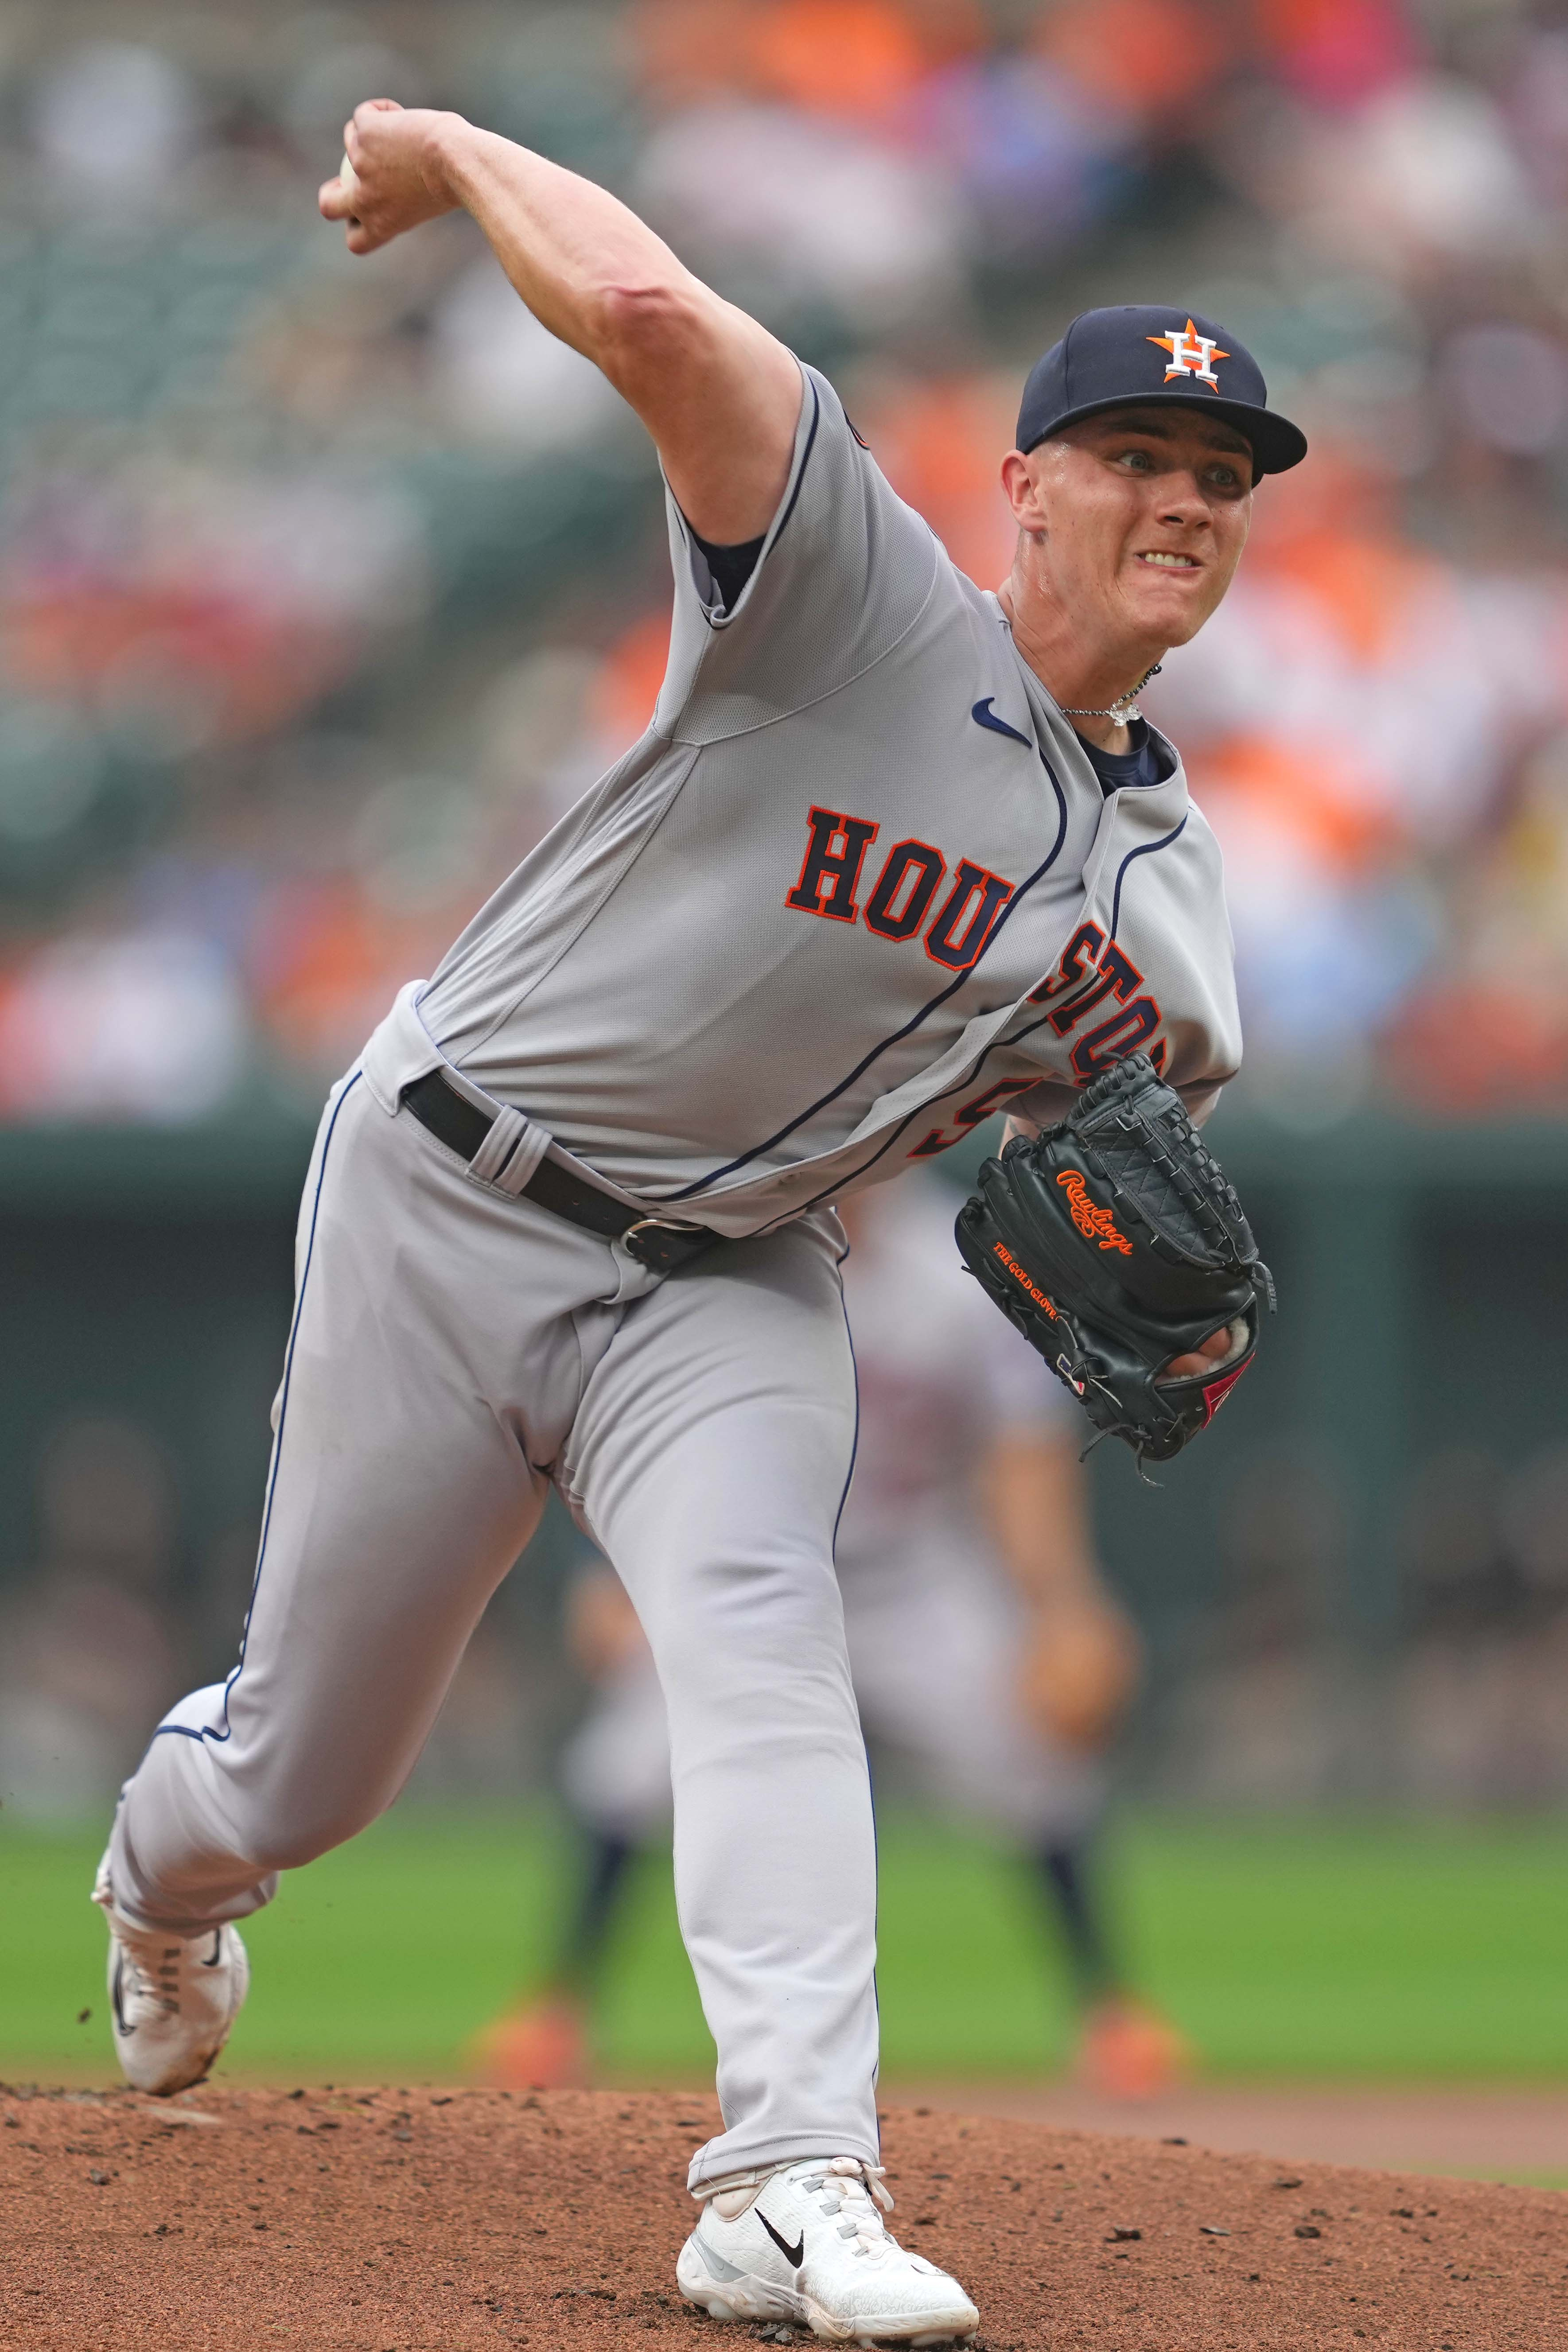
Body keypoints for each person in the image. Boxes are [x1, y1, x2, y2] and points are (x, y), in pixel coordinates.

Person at [93, 94, 1304, 2348]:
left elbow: (1071, 1146)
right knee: (307, 1769)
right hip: (457, 1183)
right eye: (1133, 455)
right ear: (1020, 485)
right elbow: (651, 315)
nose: (1178, 500)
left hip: (730, 1273)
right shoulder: (855, 587)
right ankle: (162, 1889)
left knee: (760, 1637)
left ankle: (784, 2179)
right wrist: (449, 146)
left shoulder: (1174, 915)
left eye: (1216, 479)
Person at [474, 1167, 1188, 2103]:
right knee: (629, 1766)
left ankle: (1112, 2013)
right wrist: (621, 1569)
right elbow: (641, 1426)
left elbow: (1022, 1452)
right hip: (748, 1563)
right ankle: (556, 2009)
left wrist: (1062, 1608)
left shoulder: (967, 1269)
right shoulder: (717, 1252)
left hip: (913, 1574)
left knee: (1033, 1759)